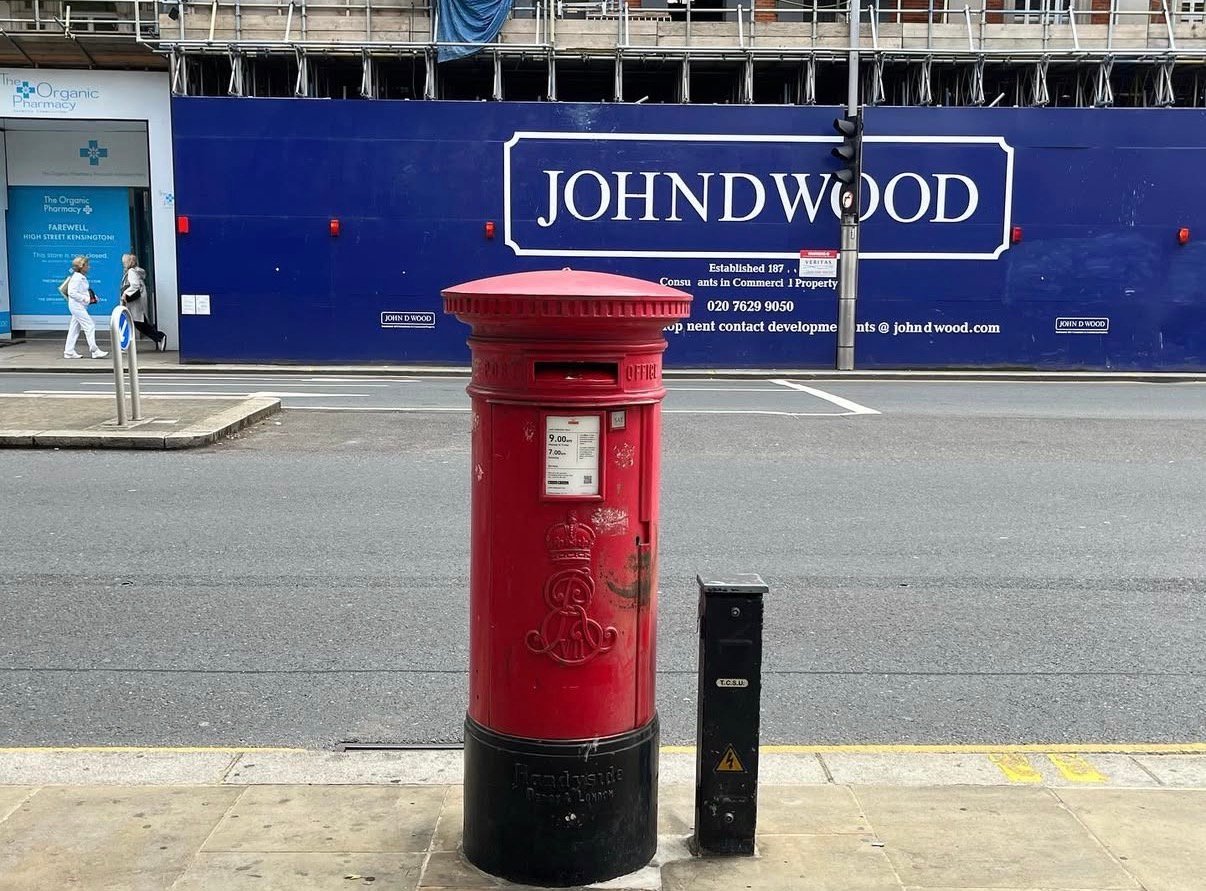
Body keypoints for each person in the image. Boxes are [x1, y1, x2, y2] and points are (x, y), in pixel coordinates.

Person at [62, 256, 107, 359]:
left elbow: (83, 291)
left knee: (74, 328)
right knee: (90, 325)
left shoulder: (79, 277)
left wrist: (93, 297)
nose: (89, 267)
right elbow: (72, 292)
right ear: (82, 266)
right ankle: (94, 350)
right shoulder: (77, 278)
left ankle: (69, 352)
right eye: (87, 265)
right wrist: (85, 299)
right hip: (77, 306)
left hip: (78, 306)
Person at [120, 253, 166, 350]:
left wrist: (125, 294)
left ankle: (159, 336)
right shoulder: (133, 272)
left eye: (124, 262)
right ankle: (158, 337)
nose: (123, 264)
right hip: (135, 302)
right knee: (139, 323)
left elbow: (135, 285)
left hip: (134, 303)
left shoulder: (131, 272)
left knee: (139, 323)